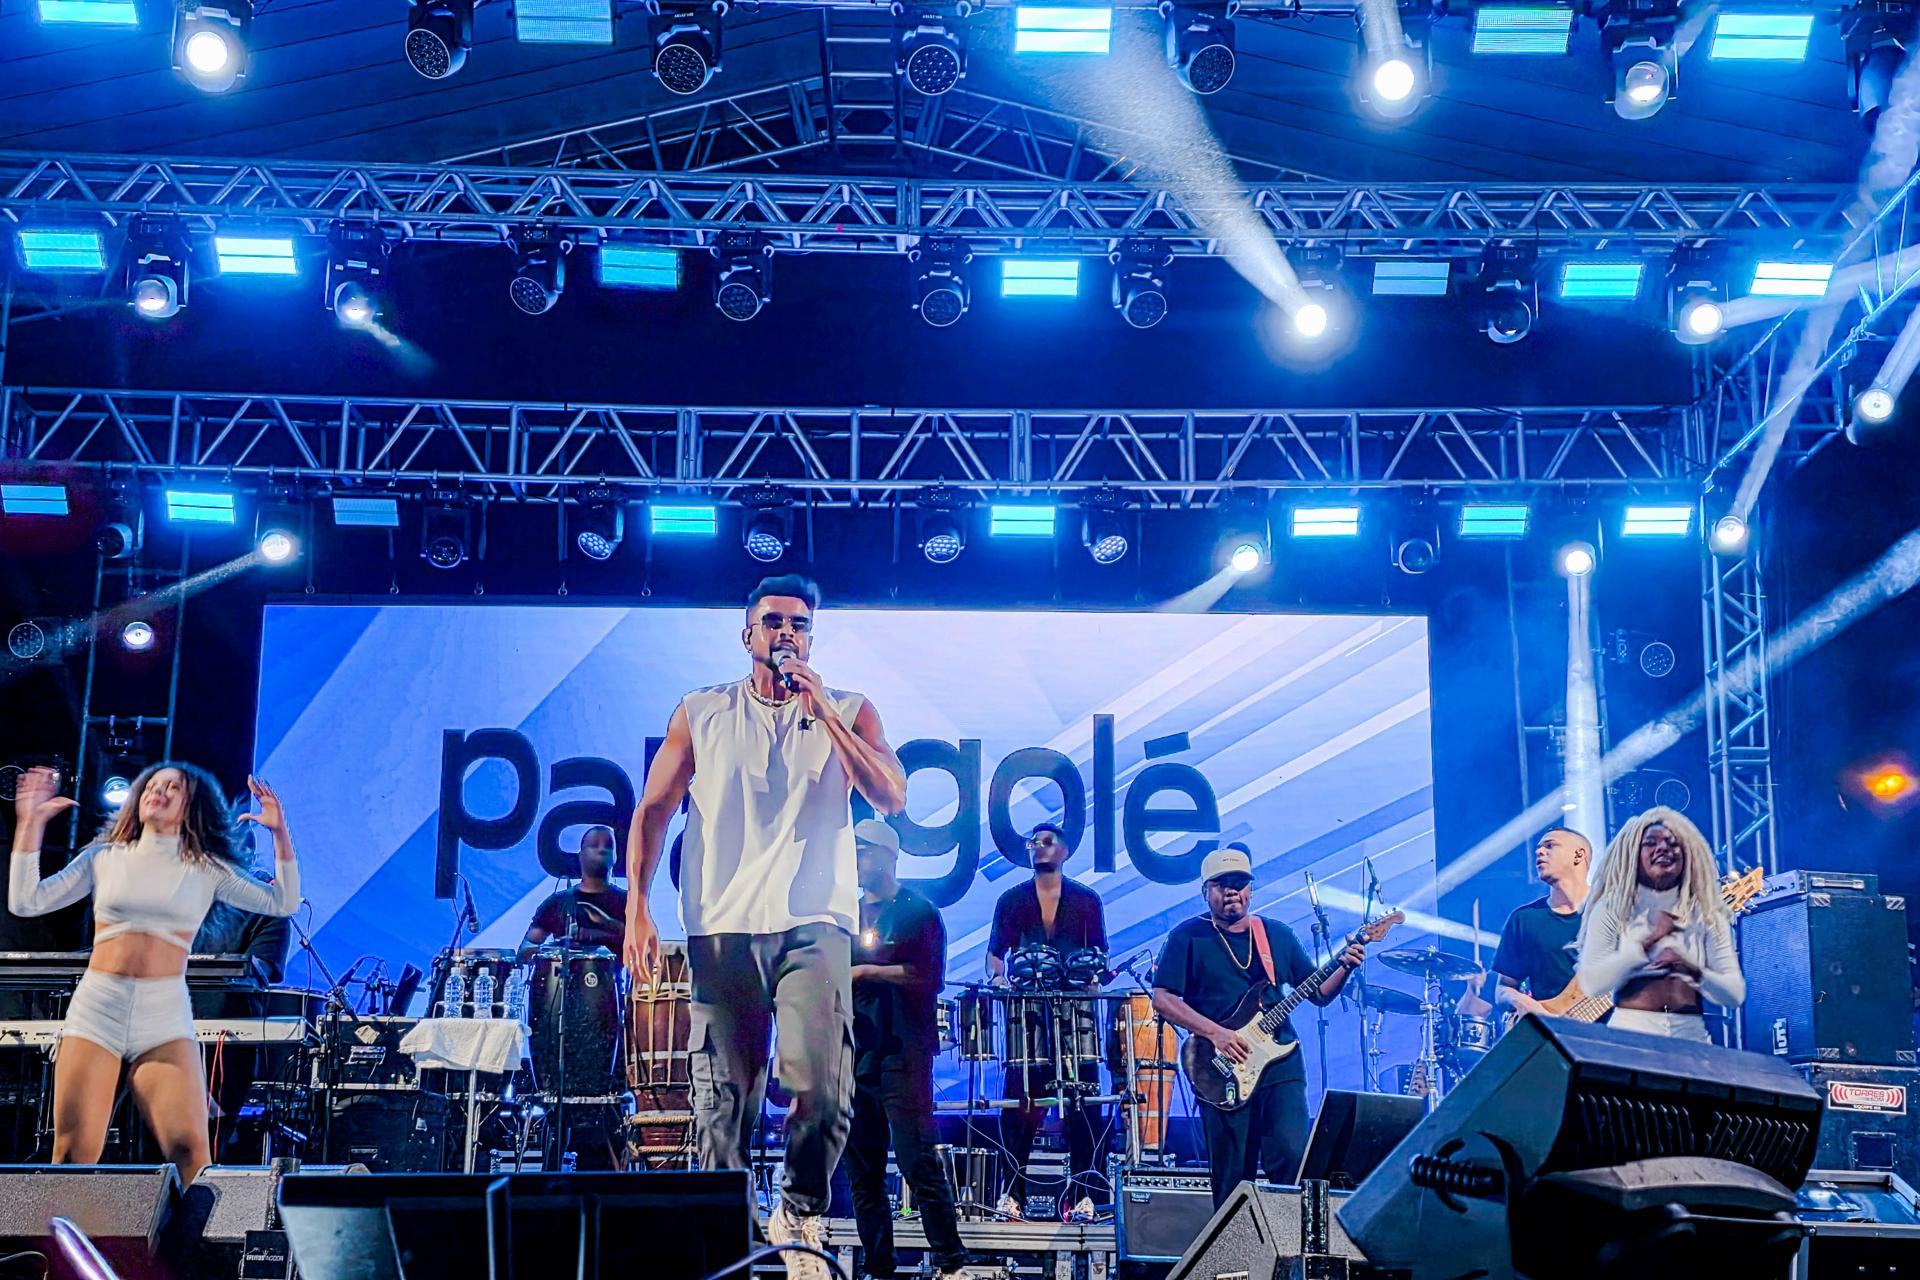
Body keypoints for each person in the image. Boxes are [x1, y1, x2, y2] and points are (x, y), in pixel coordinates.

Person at [623, 575, 906, 1280]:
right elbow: (653, 809)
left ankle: (800, 1212)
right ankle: (724, 1235)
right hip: (723, 924)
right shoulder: (703, 711)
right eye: (773, 621)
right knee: (725, 1097)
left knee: (825, 1084)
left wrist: (825, 713)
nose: (787, 633)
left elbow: (890, 796)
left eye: (799, 625)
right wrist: (637, 905)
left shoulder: (850, 709)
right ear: (747, 633)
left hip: (815, 921)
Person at [8, 763, 302, 1186]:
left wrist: (279, 832)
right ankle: (67, 1232)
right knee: (72, 1154)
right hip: (97, 1008)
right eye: (152, 785)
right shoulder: (103, 857)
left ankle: (185, 1233)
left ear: (191, 806)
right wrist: (30, 824)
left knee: (191, 1156)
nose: (157, 792)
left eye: (173, 788)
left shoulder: (207, 868)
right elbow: (26, 902)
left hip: (163, 1014)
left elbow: (283, 903)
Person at [1150, 845, 1366, 1208]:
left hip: (1280, 1063)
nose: (1232, 891)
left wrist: (1345, 966)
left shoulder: (1275, 935)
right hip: (1219, 1068)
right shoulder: (1187, 937)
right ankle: (1236, 1242)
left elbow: (1319, 993)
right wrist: (1215, 1033)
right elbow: (1163, 998)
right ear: (1205, 891)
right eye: (1222, 884)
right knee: (1233, 1177)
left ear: (1250, 889)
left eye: (1239, 883)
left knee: (1292, 1158)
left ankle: (1291, 1237)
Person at [845, 819, 967, 1280]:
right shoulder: (844, 913)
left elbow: (928, 977)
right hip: (855, 1052)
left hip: (904, 1051)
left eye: (862, 851)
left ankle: (951, 1262)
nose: (855, 860)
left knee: (917, 1159)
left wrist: (867, 972)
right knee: (863, 1170)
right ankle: (879, 1267)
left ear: (886, 855)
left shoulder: (919, 912)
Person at [985, 821, 1109, 1222]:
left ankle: (1085, 1196)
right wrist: (998, 980)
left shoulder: (1087, 900)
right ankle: (1012, 1194)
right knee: (1020, 1104)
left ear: (1064, 850)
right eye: (1033, 842)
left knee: (1083, 1103)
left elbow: (1099, 955)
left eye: (1047, 841)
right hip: (1028, 1016)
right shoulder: (1011, 899)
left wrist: (1092, 983)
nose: (1038, 847)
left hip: (1075, 1016)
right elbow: (995, 955)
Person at [1576, 807, 1744, 1043]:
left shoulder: (1706, 914)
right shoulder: (1611, 908)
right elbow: (1593, 983)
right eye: (1650, 843)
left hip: (1692, 1039)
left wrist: (1693, 970)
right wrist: (1647, 944)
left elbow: (1734, 995)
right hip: (1629, 1038)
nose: (1663, 848)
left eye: (1673, 843)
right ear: (1632, 853)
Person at [1487, 827, 1592, 1020]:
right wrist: (1523, 1003)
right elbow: (1503, 989)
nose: (1539, 852)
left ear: (1578, 855)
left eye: (1550, 846)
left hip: (1615, 1034)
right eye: (1538, 848)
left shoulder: (1619, 911)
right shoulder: (1524, 919)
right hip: (1548, 1035)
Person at [519, 825, 626, 961]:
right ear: (581, 856)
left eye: (609, 846)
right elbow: (525, 951)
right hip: (563, 974)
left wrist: (604, 930)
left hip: (612, 975)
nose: (602, 850)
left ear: (615, 856)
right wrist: (555, 949)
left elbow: (645, 946)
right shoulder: (557, 902)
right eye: (594, 845)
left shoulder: (628, 902)